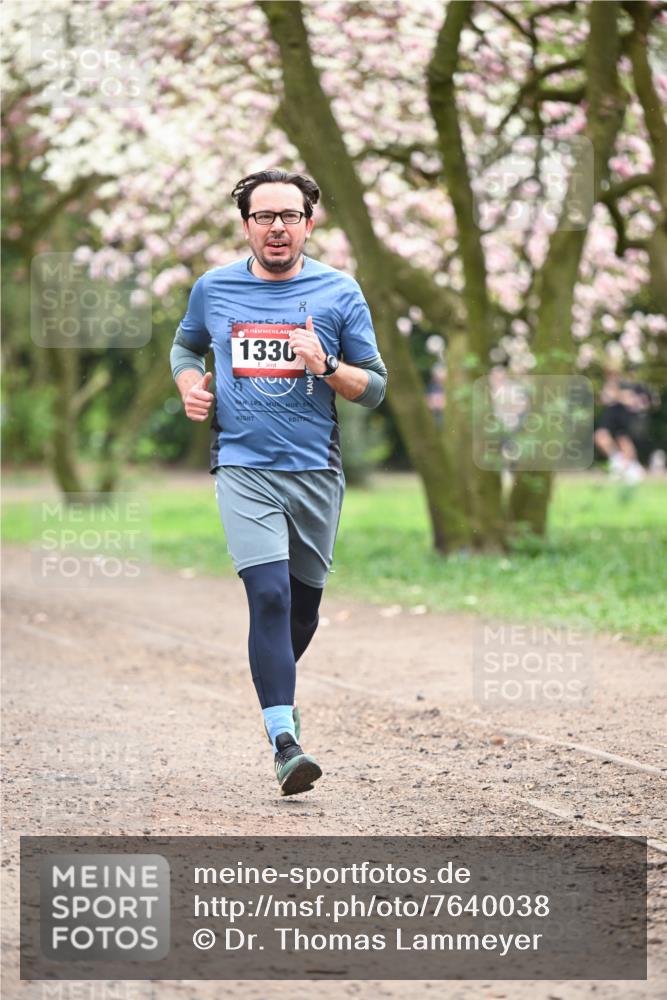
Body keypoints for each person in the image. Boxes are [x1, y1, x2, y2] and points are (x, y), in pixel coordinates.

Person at [169, 169, 387, 796]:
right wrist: (189, 383)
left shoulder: (339, 293)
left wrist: (327, 366)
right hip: (243, 466)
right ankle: (284, 743)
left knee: (303, 610)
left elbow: (374, 389)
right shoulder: (213, 289)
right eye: (264, 217)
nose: (277, 228)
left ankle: (278, 697)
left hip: (316, 472)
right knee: (267, 598)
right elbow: (185, 348)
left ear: (309, 224)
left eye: (289, 216)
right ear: (246, 226)